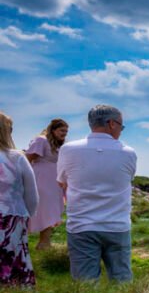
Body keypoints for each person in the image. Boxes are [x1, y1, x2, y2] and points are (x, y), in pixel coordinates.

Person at [56, 105, 137, 282]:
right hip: (117, 224)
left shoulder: (68, 149)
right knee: (122, 282)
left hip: (81, 225)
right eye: (121, 126)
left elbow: (62, 181)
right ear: (111, 124)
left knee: (85, 284)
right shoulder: (128, 153)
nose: (121, 131)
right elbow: (127, 178)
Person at [0, 112, 39, 287]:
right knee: (12, 260)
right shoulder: (17, 157)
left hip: (11, 217)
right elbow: (32, 195)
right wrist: (28, 216)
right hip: (11, 218)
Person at [25, 118, 69, 250]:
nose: (64, 133)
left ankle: (44, 243)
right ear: (53, 129)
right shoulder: (41, 140)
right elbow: (28, 160)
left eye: (66, 131)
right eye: (62, 130)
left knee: (51, 211)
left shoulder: (59, 145)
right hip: (41, 180)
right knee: (45, 210)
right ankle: (42, 243)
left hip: (55, 182)